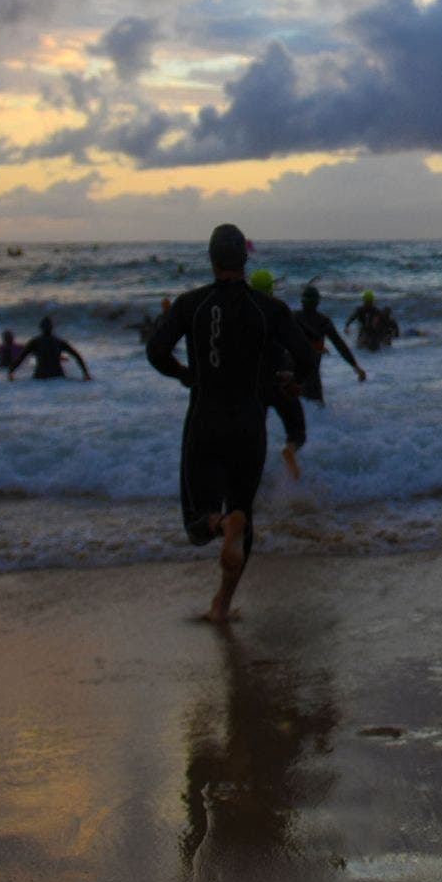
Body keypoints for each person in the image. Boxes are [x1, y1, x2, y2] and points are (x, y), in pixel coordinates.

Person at [145, 224, 313, 622]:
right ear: (245, 259)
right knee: (244, 510)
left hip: (205, 420)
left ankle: (222, 525)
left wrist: (186, 374)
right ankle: (222, 600)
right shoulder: (269, 308)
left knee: (197, 521)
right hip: (250, 426)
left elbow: (155, 351)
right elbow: (306, 356)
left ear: (210, 259)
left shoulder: (191, 304)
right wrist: (294, 382)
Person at [247, 269, 321, 480]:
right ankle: (290, 450)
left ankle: (255, 481)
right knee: (298, 431)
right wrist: (298, 379)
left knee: (255, 437)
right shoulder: (278, 311)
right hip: (282, 381)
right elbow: (309, 341)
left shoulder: (243, 314)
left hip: (253, 385)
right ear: (271, 288)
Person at [292, 285, 366, 401]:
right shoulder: (323, 321)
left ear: (302, 301)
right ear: (318, 302)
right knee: (317, 409)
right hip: (312, 376)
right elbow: (339, 345)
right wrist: (355, 366)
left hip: (291, 374)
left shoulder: (293, 317)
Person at [9, 315, 92, 381]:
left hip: (40, 377)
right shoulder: (59, 342)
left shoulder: (35, 342)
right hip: (58, 377)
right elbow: (77, 356)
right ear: (52, 328)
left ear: (41, 328)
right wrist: (85, 374)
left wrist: (11, 372)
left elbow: (21, 358)